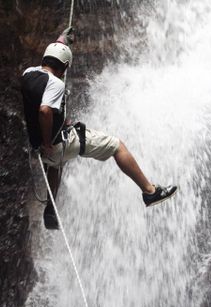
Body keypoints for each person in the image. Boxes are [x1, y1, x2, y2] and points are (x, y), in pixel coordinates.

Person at [21, 29, 177, 230]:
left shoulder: (28, 73)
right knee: (117, 146)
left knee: (57, 163)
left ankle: (51, 210)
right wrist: (48, 142)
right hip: (54, 146)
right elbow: (44, 111)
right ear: (64, 67)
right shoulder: (56, 84)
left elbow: (52, 65)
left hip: (39, 149)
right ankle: (150, 191)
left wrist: (61, 40)